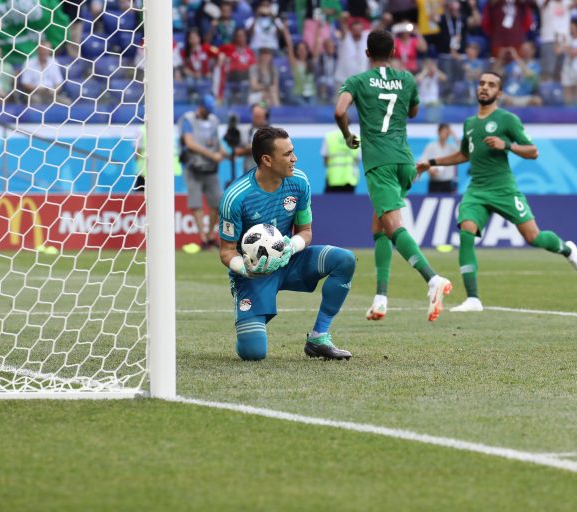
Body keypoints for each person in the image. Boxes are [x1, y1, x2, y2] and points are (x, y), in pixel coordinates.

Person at [416, 71, 577, 313]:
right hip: (477, 189)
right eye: (481, 84)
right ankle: (473, 299)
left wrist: (506, 145)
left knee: (534, 237)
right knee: (466, 231)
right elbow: (463, 155)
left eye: (491, 85)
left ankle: (567, 249)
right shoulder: (469, 123)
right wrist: (431, 162)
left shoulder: (507, 120)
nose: (484, 88)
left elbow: (533, 151)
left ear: (499, 93)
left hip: (503, 188)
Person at [334, 29, 453, 322]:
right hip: (405, 162)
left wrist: (348, 135)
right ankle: (381, 299)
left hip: (380, 163)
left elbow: (339, 111)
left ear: (366, 53)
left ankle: (432, 278)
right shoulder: (407, 79)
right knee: (379, 225)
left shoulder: (358, 81)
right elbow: (412, 112)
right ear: (395, 52)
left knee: (393, 225)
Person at [218, 126, 356, 361]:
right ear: (267, 160)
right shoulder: (236, 197)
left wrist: (290, 247)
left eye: (293, 151)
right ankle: (247, 311)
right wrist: (245, 269)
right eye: (287, 154)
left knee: (344, 260)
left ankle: (319, 337)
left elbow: (305, 232)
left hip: (290, 261)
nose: (295, 158)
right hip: (254, 274)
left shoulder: (299, 182)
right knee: (254, 353)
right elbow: (227, 251)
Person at [180, 94, 228, 249]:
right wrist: (212, 155)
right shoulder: (188, 120)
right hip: (193, 167)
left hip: (211, 168)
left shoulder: (214, 120)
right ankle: (203, 238)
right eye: (206, 109)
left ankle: (209, 235)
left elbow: (216, 141)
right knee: (196, 203)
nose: (208, 113)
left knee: (217, 203)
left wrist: (222, 152)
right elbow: (190, 143)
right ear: (200, 107)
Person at [19, 39, 68, 105]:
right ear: (38, 50)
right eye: (43, 50)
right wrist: (38, 89)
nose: (45, 53)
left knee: (66, 102)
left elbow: (59, 82)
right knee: (36, 101)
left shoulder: (53, 62)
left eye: (47, 51)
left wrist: (52, 91)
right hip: (34, 94)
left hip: (50, 94)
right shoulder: (29, 63)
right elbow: (25, 83)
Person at [419, 123, 459, 193]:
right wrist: (429, 169)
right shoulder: (431, 146)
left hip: (447, 183)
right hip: (434, 183)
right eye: (444, 132)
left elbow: (462, 151)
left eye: (447, 132)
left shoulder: (451, 148)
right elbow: (423, 161)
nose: (446, 134)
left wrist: (454, 135)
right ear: (439, 132)